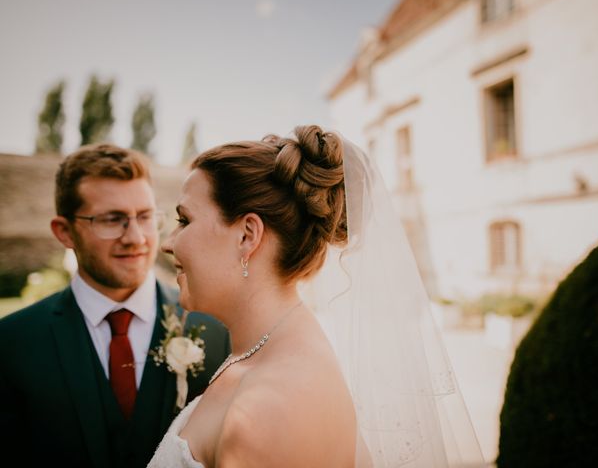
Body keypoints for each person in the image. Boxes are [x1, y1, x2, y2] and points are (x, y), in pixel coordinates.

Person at [149, 125, 485, 467]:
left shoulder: (268, 409)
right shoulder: (264, 351)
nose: (168, 243)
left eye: (184, 220)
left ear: (247, 236)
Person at [0, 144, 229, 468]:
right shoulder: (11, 344)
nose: (136, 237)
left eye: (145, 217)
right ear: (64, 232)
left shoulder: (216, 330)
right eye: (112, 220)